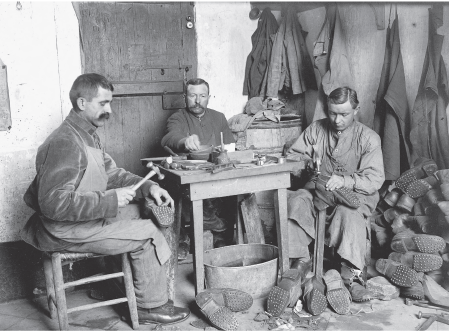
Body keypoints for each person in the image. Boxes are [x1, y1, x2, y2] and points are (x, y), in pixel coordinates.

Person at [20, 73, 190, 325]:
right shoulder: (65, 142)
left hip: (82, 221)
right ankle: (148, 307)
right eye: (102, 103)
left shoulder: (87, 135)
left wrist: (150, 187)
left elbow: (112, 174)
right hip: (63, 229)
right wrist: (109, 200)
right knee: (145, 235)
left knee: (144, 212)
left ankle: (121, 286)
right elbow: (53, 204)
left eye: (110, 102)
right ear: (81, 103)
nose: (109, 110)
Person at [286, 87, 385, 301]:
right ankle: (298, 262)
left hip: (353, 195)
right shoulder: (316, 129)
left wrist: (346, 181)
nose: (337, 120)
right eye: (332, 113)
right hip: (319, 190)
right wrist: (306, 163)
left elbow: (375, 179)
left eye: (344, 114)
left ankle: (352, 275)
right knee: (296, 200)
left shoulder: (369, 138)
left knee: (348, 214)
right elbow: (292, 156)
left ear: (356, 110)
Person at [161, 78, 235, 247]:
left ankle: (222, 236)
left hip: (218, 176)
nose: (197, 100)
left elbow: (230, 146)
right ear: (185, 97)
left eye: (202, 96)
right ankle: (188, 237)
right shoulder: (177, 118)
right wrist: (184, 141)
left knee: (239, 194)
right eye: (192, 95)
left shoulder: (219, 117)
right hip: (193, 177)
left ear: (209, 97)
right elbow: (168, 138)